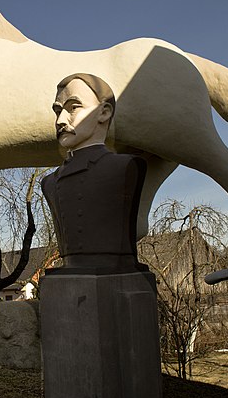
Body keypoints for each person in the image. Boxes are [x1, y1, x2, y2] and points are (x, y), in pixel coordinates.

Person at [41, 73, 148, 273]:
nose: (60, 121)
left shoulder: (125, 167)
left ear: (104, 112)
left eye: (73, 108)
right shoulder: (49, 182)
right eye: (58, 111)